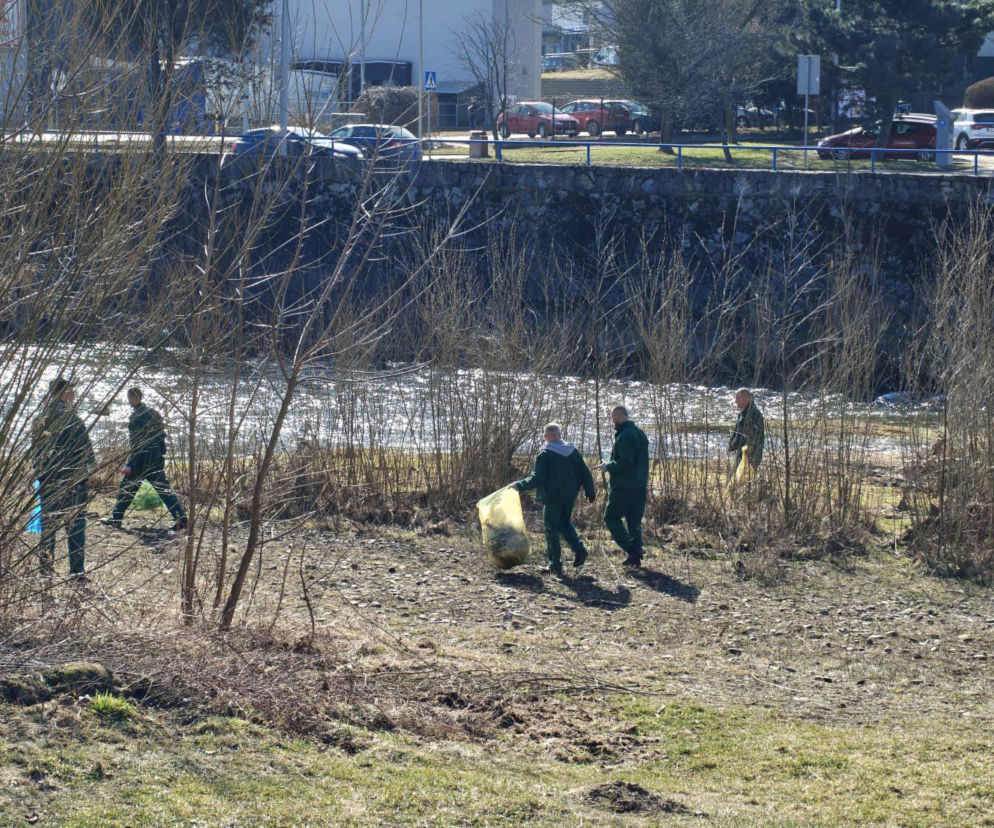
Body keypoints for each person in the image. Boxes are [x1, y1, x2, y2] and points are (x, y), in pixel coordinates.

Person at [32, 378, 95, 581]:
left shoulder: (41, 417)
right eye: (71, 391)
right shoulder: (72, 418)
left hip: (49, 481)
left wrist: (41, 477)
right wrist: (85, 474)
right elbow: (87, 451)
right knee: (75, 527)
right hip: (72, 481)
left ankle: (45, 570)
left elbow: (36, 455)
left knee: (49, 526)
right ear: (64, 392)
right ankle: (77, 572)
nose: (74, 395)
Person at [513, 423, 596, 578]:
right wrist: (590, 491)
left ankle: (555, 564)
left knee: (551, 529)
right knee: (565, 523)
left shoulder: (545, 455)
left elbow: (537, 479)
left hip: (552, 497)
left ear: (545, 437)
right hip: (570, 494)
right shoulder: (572, 451)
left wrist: (519, 485)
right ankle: (579, 549)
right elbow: (585, 472)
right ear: (559, 435)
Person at [103, 388, 187, 531]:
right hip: (155, 459)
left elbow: (136, 445)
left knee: (126, 488)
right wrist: (160, 455)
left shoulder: (136, 418)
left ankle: (116, 519)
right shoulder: (154, 413)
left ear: (132, 398)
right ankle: (182, 519)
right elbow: (161, 438)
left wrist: (129, 464)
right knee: (164, 490)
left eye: (129, 397)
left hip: (140, 461)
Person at [597, 406, 649, 567]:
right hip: (640, 484)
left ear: (618, 416)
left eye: (613, 418)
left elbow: (626, 462)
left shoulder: (625, 436)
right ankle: (634, 557)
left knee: (611, 517)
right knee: (634, 521)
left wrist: (608, 466)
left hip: (624, 485)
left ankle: (632, 549)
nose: (612, 421)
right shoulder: (640, 433)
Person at [728, 388, 764, 472]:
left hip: (748, 454)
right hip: (744, 452)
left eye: (737, 398)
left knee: (741, 479)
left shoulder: (752, 414)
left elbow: (747, 435)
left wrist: (733, 446)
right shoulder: (744, 413)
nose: (735, 401)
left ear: (746, 399)